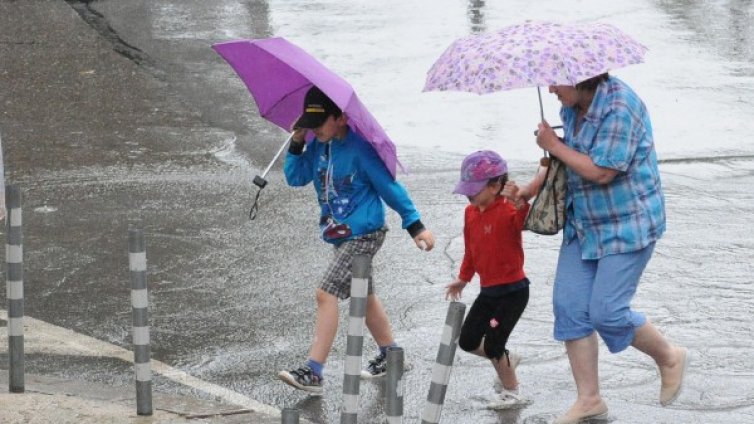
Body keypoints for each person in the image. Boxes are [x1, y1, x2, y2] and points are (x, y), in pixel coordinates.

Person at [536, 73, 688, 424]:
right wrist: (529, 190)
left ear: (580, 77)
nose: (550, 89)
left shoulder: (620, 106)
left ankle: (669, 356)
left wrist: (554, 145)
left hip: (628, 224)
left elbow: (603, 171)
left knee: (607, 312)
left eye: (556, 82)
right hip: (584, 224)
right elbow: (569, 162)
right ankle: (589, 400)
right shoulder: (575, 106)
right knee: (570, 307)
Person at [277, 86, 435, 395]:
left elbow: (389, 187)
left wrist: (415, 226)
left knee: (326, 293)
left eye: (320, 122)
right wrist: (297, 142)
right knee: (364, 296)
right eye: (309, 123)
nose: (315, 129)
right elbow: (295, 178)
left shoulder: (360, 149)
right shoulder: (319, 147)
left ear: (341, 118)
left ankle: (314, 371)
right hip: (339, 235)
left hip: (364, 234)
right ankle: (391, 355)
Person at [445, 150, 545, 409]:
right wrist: (463, 278)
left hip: (513, 292)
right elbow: (471, 250)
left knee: (493, 345)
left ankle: (512, 392)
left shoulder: (509, 209)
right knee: (467, 341)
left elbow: (524, 220)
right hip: (488, 291)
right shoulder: (470, 213)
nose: (469, 194)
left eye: (474, 189)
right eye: (466, 189)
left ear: (496, 185)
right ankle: (508, 358)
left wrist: (520, 202)